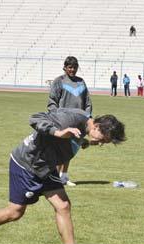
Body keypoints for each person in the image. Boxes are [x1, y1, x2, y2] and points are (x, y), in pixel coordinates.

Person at [0, 108, 126, 244]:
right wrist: (57, 132)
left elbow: (69, 139)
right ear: (97, 126)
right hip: (27, 165)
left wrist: (82, 141)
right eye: (103, 140)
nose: (100, 144)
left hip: (45, 168)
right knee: (15, 212)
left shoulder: (84, 127)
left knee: (63, 206)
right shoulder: (71, 119)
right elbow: (35, 118)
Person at [48, 56, 92, 187]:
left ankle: (64, 176)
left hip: (79, 121)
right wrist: (55, 117)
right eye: (70, 67)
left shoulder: (81, 82)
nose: (72, 70)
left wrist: (88, 117)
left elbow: (87, 102)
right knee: (59, 149)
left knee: (70, 149)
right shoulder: (59, 81)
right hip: (63, 120)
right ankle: (54, 177)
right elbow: (52, 101)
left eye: (75, 67)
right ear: (65, 68)